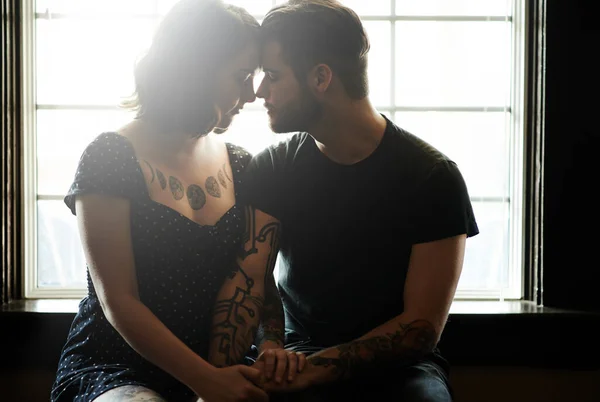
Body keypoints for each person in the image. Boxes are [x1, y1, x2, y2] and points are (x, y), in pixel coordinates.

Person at [240, 1, 480, 401]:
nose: (259, 90)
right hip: (296, 356)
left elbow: (420, 328)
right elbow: (256, 280)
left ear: (321, 78)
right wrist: (270, 347)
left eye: (273, 75)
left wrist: (319, 370)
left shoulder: (433, 177)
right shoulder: (273, 167)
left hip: (400, 369)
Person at [50, 1, 281, 401]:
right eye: (241, 76)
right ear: (196, 70)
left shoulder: (242, 165)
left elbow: (258, 281)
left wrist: (271, 344)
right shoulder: (111, 156)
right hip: (118, 365)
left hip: (223, 361)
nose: (251, 94)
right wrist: (205, 383)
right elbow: (118, 300)